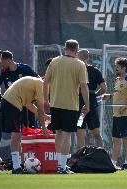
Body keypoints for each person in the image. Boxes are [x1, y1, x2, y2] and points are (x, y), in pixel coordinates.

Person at [43, 39, 89, 174]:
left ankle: (59, 164)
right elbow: (84, 86)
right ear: (77, 50)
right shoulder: (80, 64)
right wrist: (87, 104)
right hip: (70, 105)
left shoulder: (54, 61)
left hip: (55, 103)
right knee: (67, 135)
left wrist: (46, 100)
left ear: (65, 48)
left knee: (58, 133)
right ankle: (62, 166)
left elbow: (45, 83)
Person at [1, 76, 50, 174]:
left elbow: (29, 104)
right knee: (16, 136)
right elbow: (40, 108)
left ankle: (18, 165)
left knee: (17, 136)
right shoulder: (40, 84)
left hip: (12, 103)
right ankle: (16, 167)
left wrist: (44, 116)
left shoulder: (34, 84)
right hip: (12, 104)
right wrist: (44, 127)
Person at [103, 58, 127, 170]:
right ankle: (113, 163)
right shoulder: (117, 80)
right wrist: (109, 96)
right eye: (115, 67)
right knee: (116, 139)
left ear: (124, 68)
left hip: (126, 115)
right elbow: (118, 94)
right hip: (116, 115)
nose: (116, 69)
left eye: (118, 67)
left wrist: (125, 105)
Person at [0, 50, 38, 128]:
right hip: (14, 105)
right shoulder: (3, 72)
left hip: (28, 104)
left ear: (8, 60)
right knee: (15, 129)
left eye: (1, 61)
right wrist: (0, 97)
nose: (0, 64)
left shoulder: (25, 68)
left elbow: (38, 80)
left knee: (30, 127)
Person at [76, 49, 107, 149]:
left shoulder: (76, 70)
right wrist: (94, 96)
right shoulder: (95, 71)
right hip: (92, 105)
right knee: (97, 134)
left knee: (80, 134)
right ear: (88, 58)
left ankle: (79, 160)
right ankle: (102, 158)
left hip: (80, 106)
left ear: (77, 57)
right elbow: (104, 88)